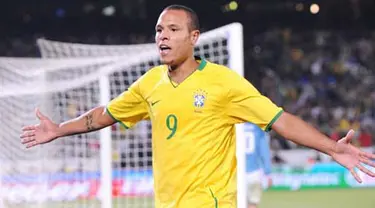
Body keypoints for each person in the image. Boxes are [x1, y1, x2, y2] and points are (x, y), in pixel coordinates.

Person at [20, 4, 375, 208]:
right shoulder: (149, 83)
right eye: (159, 30)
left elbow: (279, 120)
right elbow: (104, 115)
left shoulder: (224, 82)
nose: (162, 36)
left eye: (173, 29)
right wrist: (59, 129)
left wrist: (331, 148)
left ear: (193, 38)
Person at [244, 123, 272, 208]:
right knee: (253, 204)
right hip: (253, 172)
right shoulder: (257, 127)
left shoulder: (234, 124)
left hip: (235, 172)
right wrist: (268, 172)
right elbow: (264, 150)